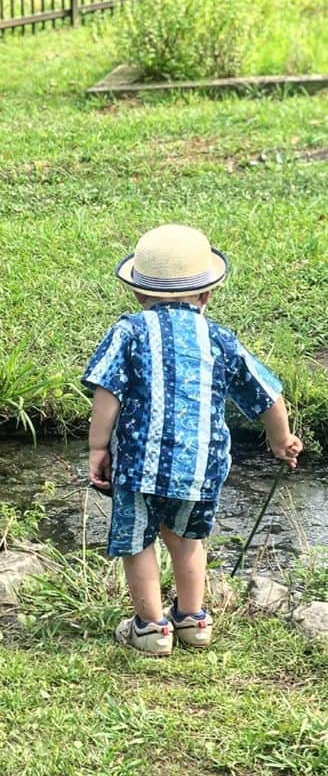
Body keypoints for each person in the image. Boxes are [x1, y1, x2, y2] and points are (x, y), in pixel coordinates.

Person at [83, 223, 301, 656]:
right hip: (201, 465)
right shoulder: (220, 338)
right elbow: (266, 395)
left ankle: (150, 629)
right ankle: (193, 621)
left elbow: (107, 394)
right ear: (206, 294)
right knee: (187, 539)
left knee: (138, 542)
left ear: (138, 293)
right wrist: (281, 440)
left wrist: (97, 448)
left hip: (139, 464)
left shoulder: (128, 331)